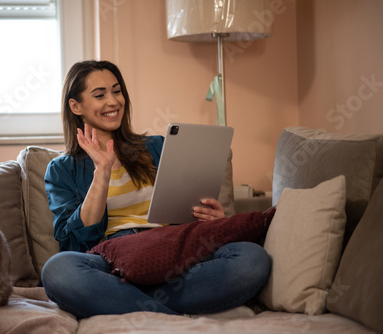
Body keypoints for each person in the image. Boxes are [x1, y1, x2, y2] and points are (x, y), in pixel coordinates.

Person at [41, 60, 270, 319]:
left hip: (171, 256)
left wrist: (212, 220)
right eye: (100, 95)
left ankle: (136, 306)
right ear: (76, 106)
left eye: (117, 91)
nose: (113, 101)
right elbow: (72, 240)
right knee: (58, 270)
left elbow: (185, 216)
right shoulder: (61, 169)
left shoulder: (158, 147)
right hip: (112, 265)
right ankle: (174, 316)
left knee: (252, 258)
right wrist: (101, 174)